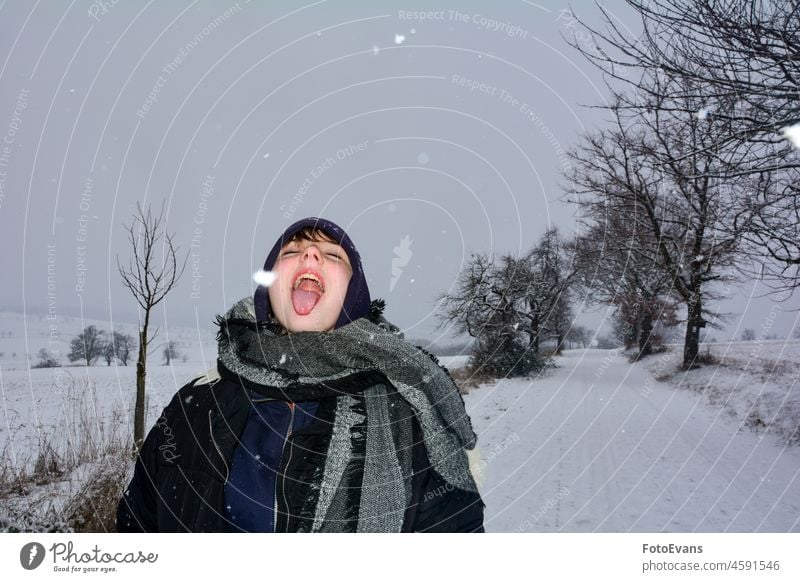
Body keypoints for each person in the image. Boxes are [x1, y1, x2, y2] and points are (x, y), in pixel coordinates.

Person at [117, 217, 485, 532]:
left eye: (332, 255)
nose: (309, 255)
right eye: (291, 252)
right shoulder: (195, 403)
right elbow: (137, 526)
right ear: (269, 289)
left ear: (355, 295)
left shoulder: (409, 415)